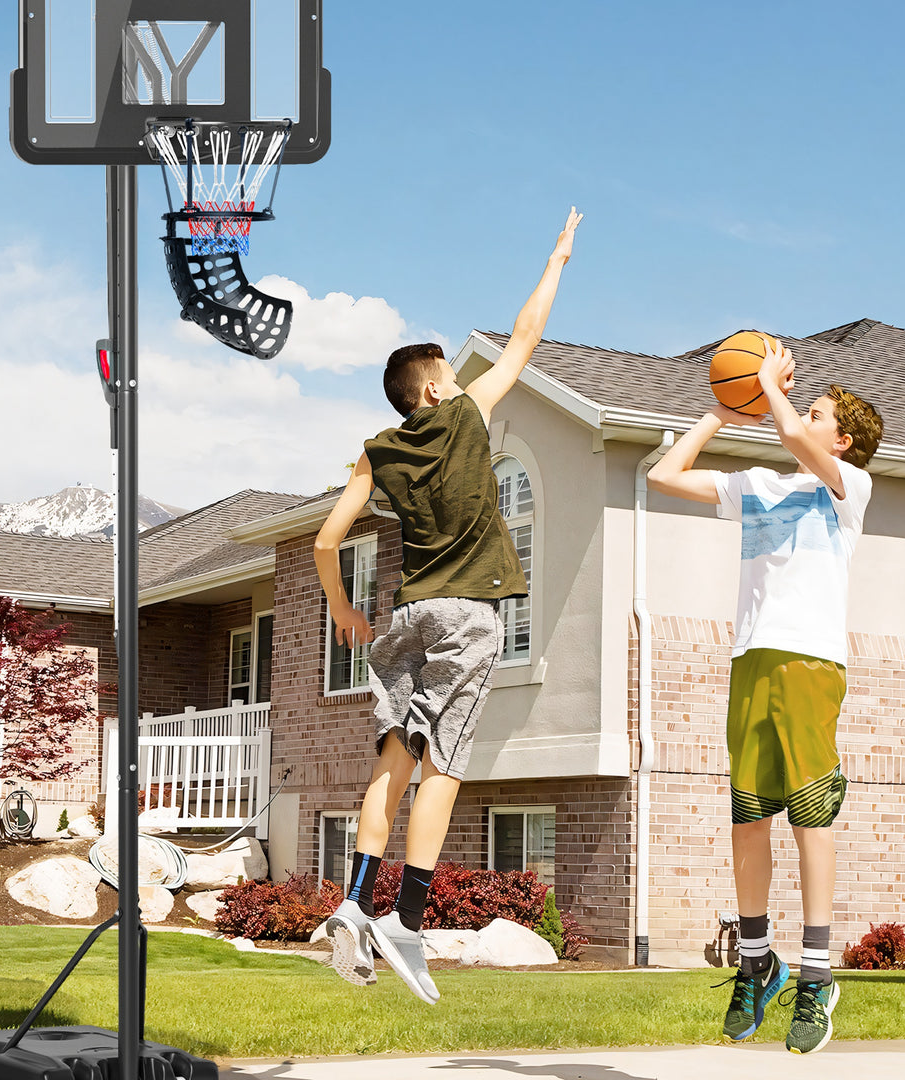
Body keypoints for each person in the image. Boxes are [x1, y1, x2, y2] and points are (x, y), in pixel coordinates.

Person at [312, 208, 582, 1003]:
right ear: (435, 388)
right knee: (445, 769)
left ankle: (355, 902)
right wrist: (558, 256)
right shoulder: (465, 416)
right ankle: (406, 918)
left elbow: (328, 542)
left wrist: (342, 610)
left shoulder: (376, 450)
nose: (462, 386)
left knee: (392, 761)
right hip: (467, 619)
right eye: (453, 379)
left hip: (404, 621)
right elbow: (526, 339)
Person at [647, 339, 882, 1054]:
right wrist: (720, 412)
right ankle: (760, 962)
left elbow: (787, 430)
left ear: (840, 440)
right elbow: (664, 473)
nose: (799, 416)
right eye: (800, 406)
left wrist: (770, 387)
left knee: (811, 817)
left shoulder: (846, 487)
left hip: (811, 665)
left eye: (815, 412)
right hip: (751, 660)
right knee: (748, 818)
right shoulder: (756, 484)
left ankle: (816, 974)